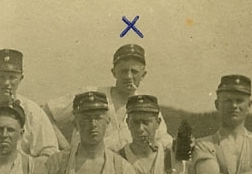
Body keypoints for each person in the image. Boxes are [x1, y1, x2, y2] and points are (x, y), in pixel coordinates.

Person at [44, 44, 172, 152]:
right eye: (123, 71)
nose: (128, 76)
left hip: (127, 169)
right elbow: (47, 112)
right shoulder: (91, 94)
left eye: (134, 71)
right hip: (85, 167)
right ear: (114, 72)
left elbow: (164, 141)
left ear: (143, 75)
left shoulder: (147, 107)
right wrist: (65, 148)